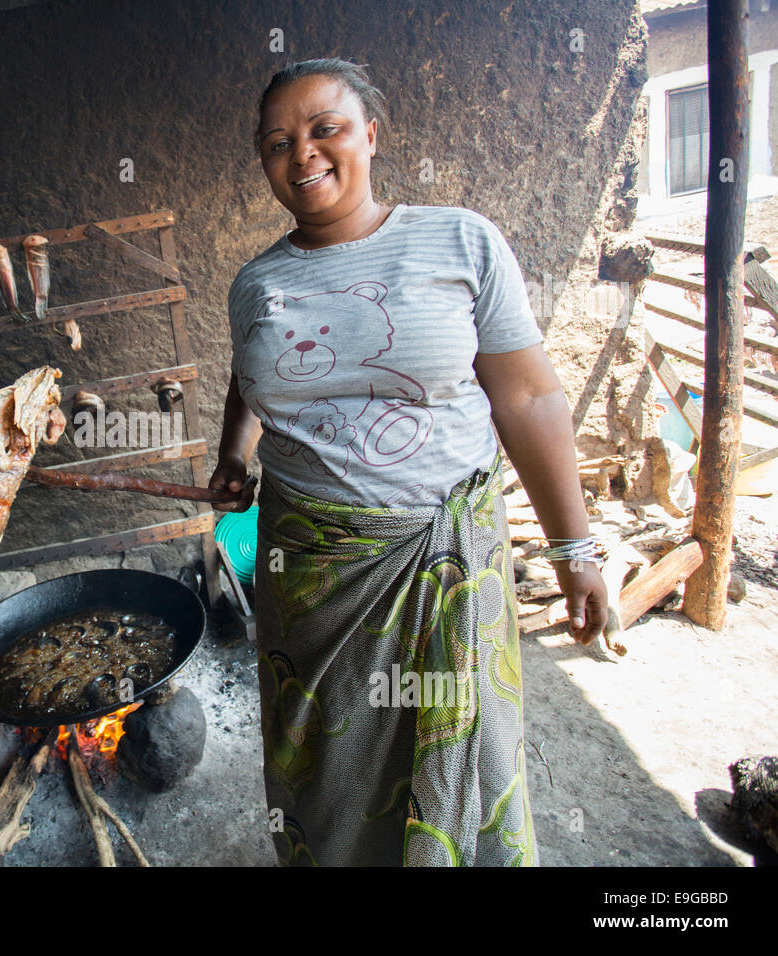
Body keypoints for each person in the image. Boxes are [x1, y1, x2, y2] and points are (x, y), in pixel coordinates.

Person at [209, 58, 608, 867]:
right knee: (330, 770)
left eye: (326, 129)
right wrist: (233, 453)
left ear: (371, 135)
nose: (304, 155)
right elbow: (250, 371)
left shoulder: (459, 239)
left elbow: (529, 400)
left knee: (469, 752)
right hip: (315, 577)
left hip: (449, 561)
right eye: (278, 142)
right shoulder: (257, 282)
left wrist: (576, 549)